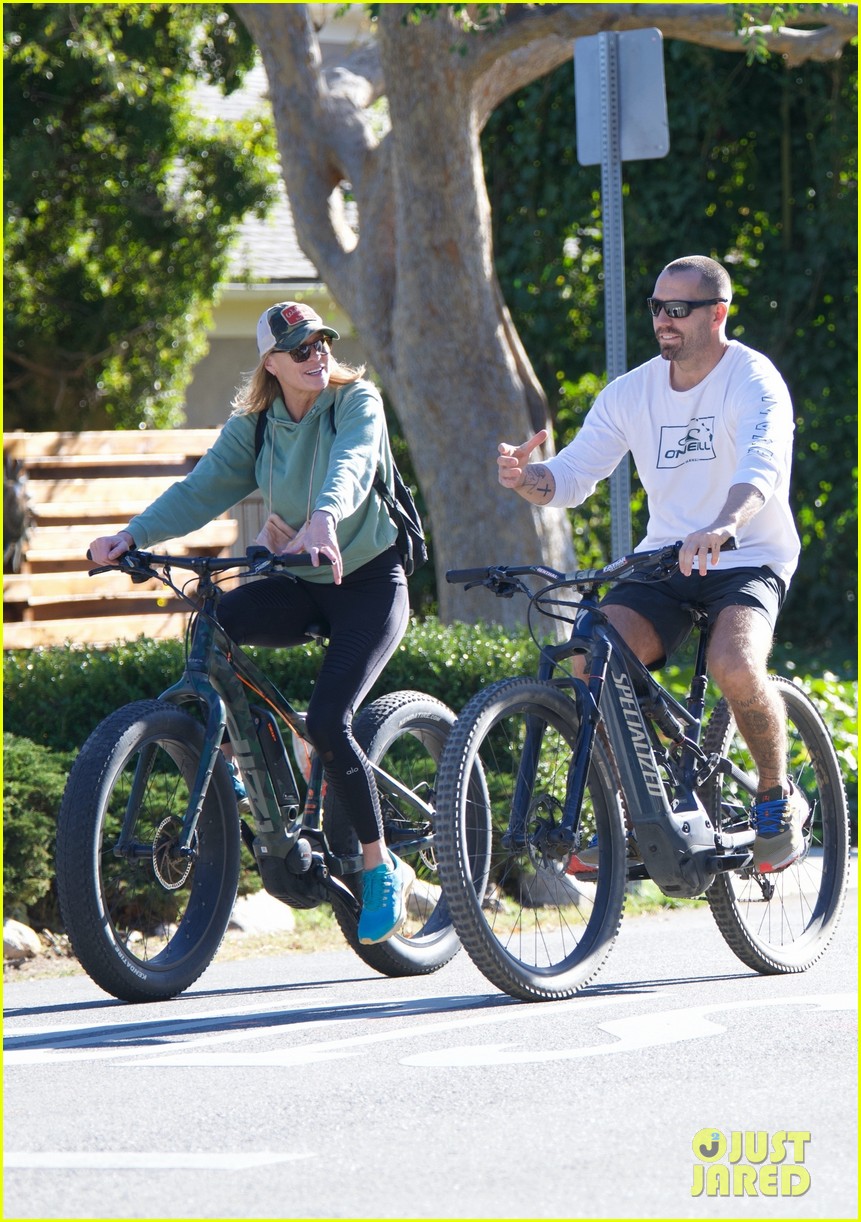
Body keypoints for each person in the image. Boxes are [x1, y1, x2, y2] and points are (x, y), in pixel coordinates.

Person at [89, 301, 414, 943]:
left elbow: (352, 466)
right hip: (301, 579)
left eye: (321, 341)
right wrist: (130, 535)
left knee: (327, 721)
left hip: (369, 583)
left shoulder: (356, 401)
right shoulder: (257, 427)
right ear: (271, 363)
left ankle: (383, 868)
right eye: (299, 349)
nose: (316, 354)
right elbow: (201, 489)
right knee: (216, 623)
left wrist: (323, 520)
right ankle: (240, 758)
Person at [497, 254, 806, 874]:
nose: (663, 320)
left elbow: (761, 469)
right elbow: (573, 476)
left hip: (747, 554)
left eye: (678, 309)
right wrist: (525, 477)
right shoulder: (633, 391)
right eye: (657, 307)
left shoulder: (752, 379)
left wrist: (724, 524)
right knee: (592, 661)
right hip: (665, 557)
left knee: (736, 666)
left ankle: (776, 797)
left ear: (717, 313)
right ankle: (640, 813)